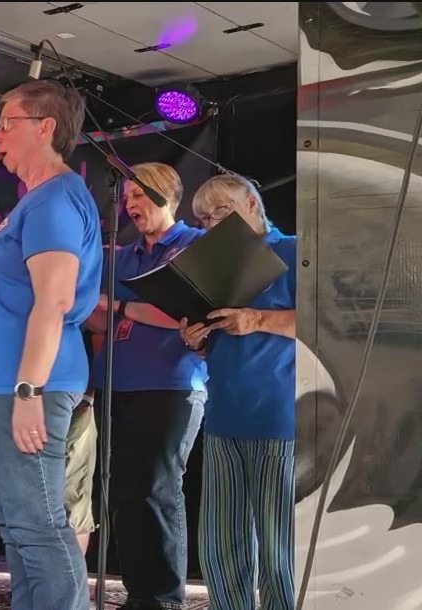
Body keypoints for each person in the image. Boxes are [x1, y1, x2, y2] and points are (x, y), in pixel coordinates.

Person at [0, 78, 100, 610]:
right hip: (6, 384)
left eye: (6, 124)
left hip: (26, 385)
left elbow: (55, 299)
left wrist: (27, 390)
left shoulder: (53, 201)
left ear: (45, 128)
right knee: (19, 526)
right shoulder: (39, 202)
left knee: (36, 523)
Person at [84, 162, 207, 610]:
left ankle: (163, 598)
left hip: (172, 385)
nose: (131, 205)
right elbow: (94, 313)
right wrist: (122, 308)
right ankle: (138, 593)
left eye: (140, 196)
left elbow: (186, 313)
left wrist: (121, 306)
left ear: (168, 196)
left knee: (157, 488)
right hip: (116, 383)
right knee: (121, 492)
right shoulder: (121, 256)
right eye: (127, 198)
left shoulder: (195, 245)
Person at [179, 174, 296, 610]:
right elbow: (224, 341)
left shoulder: (293, 251)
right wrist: (197, 339)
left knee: (278, 548)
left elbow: (330, 325)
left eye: (221, 212)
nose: (212, 225)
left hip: (279, 418)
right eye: (204, 219)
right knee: (220, 546)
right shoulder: (216, 265)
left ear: (252, 202)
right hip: (224, 416)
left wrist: (259, 320)